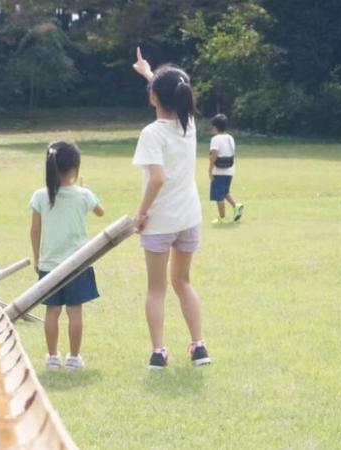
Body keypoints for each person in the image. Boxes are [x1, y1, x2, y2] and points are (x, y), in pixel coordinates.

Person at [131, 48, 210, 370]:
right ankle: (199, 346)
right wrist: (150, 73)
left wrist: (141, 213)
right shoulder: (188, 127)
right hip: (189, 218)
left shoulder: (151, 134)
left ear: (152, 98)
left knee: (156, 288)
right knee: (183, 282)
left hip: (160, 222)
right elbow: (172, 91)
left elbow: (157, 179)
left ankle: (158, 352)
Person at [29, 140, 105, 372]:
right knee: (75, 311)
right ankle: (73, 358)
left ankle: (52, 357)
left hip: (49, 263)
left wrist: (36, 258)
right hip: (78, 265)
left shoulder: (41, 196)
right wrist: (87, 189)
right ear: (76, 167)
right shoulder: (83, 195)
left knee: (52, 311)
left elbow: (34, 230)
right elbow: (101, 213)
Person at [208, 114, 244, 223]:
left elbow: (214, 155)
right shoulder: (230, 138)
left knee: (219, 196)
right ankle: (236, 206)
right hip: (230, 170)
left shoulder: (215, 139)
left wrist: (210, 170)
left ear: (215, 127)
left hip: (219, 171)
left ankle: (222, 218)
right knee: (224, 191)